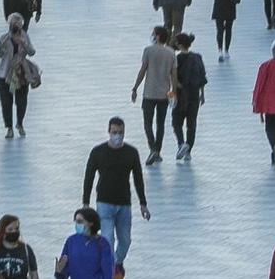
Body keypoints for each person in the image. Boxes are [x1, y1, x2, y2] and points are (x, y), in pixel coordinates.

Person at [82, 116, 148, 265]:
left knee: (125, 240)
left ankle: (116, 263)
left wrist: (143, 203)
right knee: (107, 238)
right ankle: (109, 268)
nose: (117, 135)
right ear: (108, 132)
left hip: (124, 203)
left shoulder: (131, 153)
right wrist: (85, 203)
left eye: (120, 132)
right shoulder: (98, 152)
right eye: (114, 132)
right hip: (104, 203)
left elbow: (138, 178)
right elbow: (89, 177)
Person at [129, 25, 178, 165]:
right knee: (160, 124)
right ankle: (158, 151)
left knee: (147, 123)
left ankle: (153, 149)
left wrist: (135, 88)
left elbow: (143, 70)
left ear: (157, 36)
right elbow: (173, 75)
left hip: (149, 94)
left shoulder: (148, 51)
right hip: (164, 94)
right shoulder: (171, 53)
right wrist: (173, 92)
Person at [0, 11, 37, 137]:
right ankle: (9, 127)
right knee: (6, 101)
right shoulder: (4, 38)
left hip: (21, 73)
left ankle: (20, 123)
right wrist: (2, 46)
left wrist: (24, 43)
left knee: (21, 100)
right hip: (4, 74)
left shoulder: (25, 36)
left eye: (18, 24)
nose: (16, 26)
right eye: (14, 24)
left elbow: (32, 52)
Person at [171, 31, 208, 162]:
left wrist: (173, 92)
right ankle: (188, 149)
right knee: (191, 124)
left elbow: (173, 78)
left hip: (182, 95)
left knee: (176, 122)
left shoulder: (177, 59)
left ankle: (181, 144)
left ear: (179, 45)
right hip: (194, 95)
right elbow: (202, 76)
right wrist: (202, 94)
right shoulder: (198, 57)